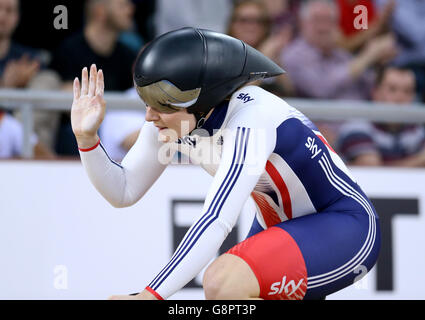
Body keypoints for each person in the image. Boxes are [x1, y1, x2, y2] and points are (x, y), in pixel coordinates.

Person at [71, 28, 380, 300]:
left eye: (161, 104)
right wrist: (86, 139)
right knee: (228, 289)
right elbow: (124, 191)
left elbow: (217, 218)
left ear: (203, 100)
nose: (149, 117)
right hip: (286, 226)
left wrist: (150, 296)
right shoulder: (175, 119)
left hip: (346, 226)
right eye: (146, 102)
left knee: (223, 283)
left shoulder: (252, 120)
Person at [50, 0, 138, 156]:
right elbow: (62, 96)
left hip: (121, 132)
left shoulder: (128, 55)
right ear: (100, 11)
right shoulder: (69, 50)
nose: (130, 8)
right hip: (78, 136)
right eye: (122, 5)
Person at [337, 66, 425, 167]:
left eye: (407, 91)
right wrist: (419, 161)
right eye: (392, 89)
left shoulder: (416, 129)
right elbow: (373, 170)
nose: (400, 98)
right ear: (375, 92)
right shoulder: (356, 126)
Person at [227, 0, 294, 97]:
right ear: (232, 24)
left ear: (266, 26)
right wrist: (264, 58)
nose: (251, 27)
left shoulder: (274, 52)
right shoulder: (223, 57)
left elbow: (290, 93)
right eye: (244, 20)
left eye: (258, 21)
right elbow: (240, 96)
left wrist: (275, 60)